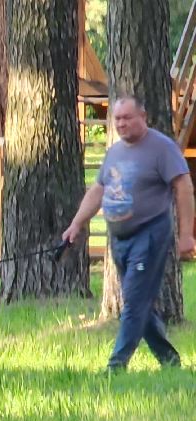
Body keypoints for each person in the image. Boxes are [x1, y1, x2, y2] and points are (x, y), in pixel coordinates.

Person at [61, 94, 194, 372]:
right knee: (139, 302)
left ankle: (116, 366)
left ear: (142, 117)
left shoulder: (161, 148)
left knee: (133, 301)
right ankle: (169, 361)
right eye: (117, 118)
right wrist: (76, 223)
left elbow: (183, 188)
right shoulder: (115, 152)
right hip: (119, 240)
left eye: (127, 117)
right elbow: (98, 190)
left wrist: (186, 234)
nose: (121, 123)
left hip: (150, 235)